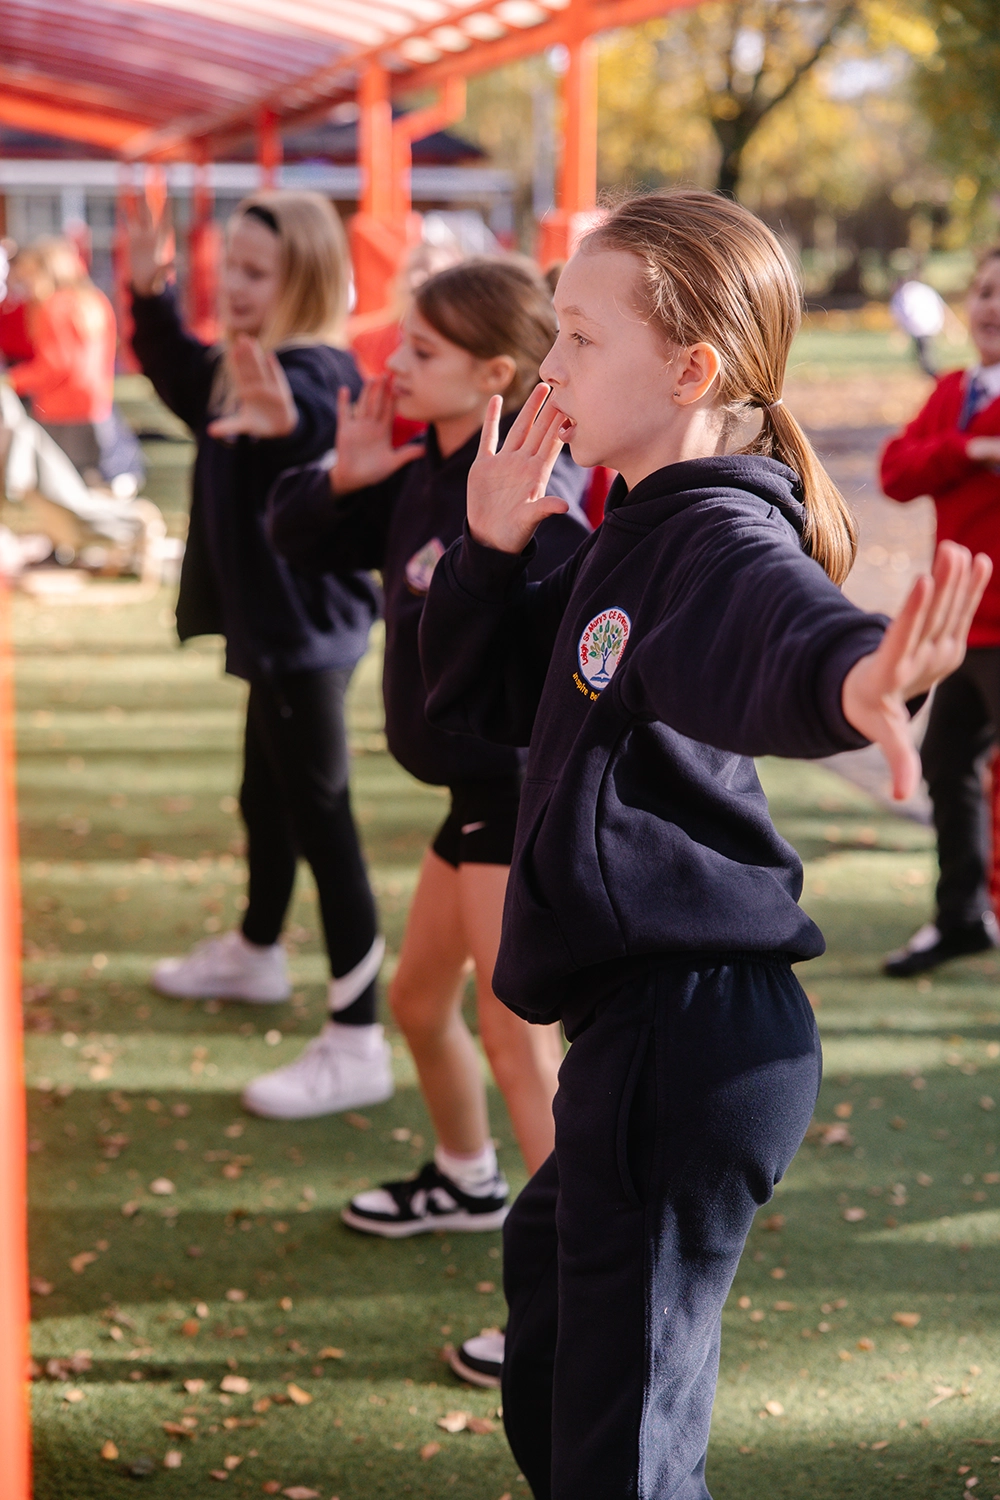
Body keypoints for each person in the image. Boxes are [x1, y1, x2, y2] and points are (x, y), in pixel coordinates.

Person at [417, 189, 990, 1500]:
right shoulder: (625, 527)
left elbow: (779, 627)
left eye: (576, 337)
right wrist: (493, 554)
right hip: (647, 1033)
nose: (550, 367)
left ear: (690, 369)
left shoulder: (715, 535)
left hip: (696, 1036)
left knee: (620, 1448)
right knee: (560, 1360)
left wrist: (859, 681)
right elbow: (483, 702)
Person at [252, 262, 589, 1259]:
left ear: (494, 375)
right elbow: (294, 536)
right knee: (414, 1001)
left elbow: (573, 622)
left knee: (518, 1045)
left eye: (421, 352)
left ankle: (581, 1294)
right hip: (472, 798)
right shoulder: (423, 471)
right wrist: (340, 475)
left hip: (514, 793)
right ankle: (464, 1178)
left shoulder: (529, 488)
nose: (393, 365)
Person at [127, 191, 391, 1115]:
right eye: (227, 267)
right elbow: (180, 374)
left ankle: (359, 1036)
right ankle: (256, 951)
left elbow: (320, 418)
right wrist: (150, 293)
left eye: (254, 271)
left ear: (303, 278)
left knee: (323, 819)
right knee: (264, 795)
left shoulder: (313, 374)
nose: (233, 285)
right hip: (276, 638)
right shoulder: (247, 366)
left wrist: (296, 432)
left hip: (307, 637)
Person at [881, 245, 1000, 976]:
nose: (990, 304)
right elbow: (896, 471)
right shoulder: (955, 390)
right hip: (959, 626)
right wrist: (970, 449)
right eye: (983, 290)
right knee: (947, 759)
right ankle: (962, 917)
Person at [5, 238, 144, 494]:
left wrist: (13, 381)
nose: (24, 286)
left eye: (27, 276)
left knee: (64, 484)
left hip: (60, 407)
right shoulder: (94, 300)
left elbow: (56, 364)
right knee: (99, 479)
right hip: (95, 402)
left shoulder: (53, 306)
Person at [890, 276, 946, 378]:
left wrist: (901, 331)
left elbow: (902, 313)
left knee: (925, 352)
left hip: (920, 325)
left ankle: (932, 373)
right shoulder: (922, 289)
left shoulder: (903, 294)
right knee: (924, 349)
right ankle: (928, 371)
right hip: (930, 323)